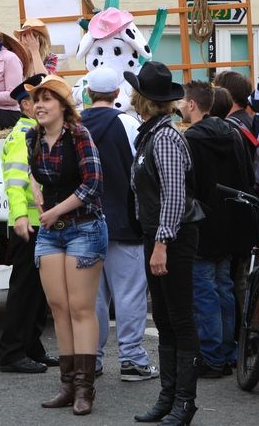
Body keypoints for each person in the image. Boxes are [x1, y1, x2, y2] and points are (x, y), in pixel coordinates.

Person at [127, 62, 204, 425]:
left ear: (142, 99)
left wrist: (161, 243)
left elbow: (174, 195)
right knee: (164, 317)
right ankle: (168, 397)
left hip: (171, 237)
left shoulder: (166, 138)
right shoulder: (152, 134)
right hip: (157, 235)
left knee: (180, 318)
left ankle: (184, 402)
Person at [25, 74, 107, 416]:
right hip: (51, 231)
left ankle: (85, 389)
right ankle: (67, 384)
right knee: (58, 307)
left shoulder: (79, 135)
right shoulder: (32, 137)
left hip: (84, 228)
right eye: (36, 100)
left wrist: (56, 209)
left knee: (80, 308)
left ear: (62, 106)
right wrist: (34, 187)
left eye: (47, 99)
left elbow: (93, 184)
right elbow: (31, 172)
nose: (39, 105)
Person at [80, 65, 157, 382]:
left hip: (83, 223)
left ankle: (92, 359)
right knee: (129, 294)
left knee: (92, 298)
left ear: (88, 93)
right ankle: (132, 359)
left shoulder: (74, 125)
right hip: (123, 221)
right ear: (116, 93)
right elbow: (141, 169)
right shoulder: (127, 123)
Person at [181, 80, 255, 378]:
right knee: (223, 287)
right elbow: (247, 176)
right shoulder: (233, 133)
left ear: (192, 104)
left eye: (183, 101)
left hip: (203, 223)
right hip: (232, 222)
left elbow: (189, 185)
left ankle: (212, 356)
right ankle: (227, 351)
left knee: (204, 291)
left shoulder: (192, 139)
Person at [0, 73, 58, 374]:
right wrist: (21, 215)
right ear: (24, 106)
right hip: (28, 223)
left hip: (36, 221)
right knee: (24, 290)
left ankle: (32, 347)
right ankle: (11, 353)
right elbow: (15, 181)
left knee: (36, 291)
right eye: (38, 100)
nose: (43, 105)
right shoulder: (24, 135)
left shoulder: (32, 133)